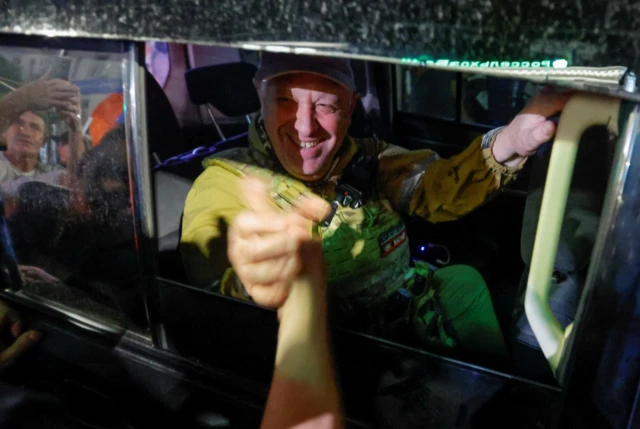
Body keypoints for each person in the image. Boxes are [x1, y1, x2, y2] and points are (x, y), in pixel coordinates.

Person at [180, 52, 570, 359]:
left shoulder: (369, 158)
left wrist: (511, 144)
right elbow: (212, 303)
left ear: (350, 107)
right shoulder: (224, 184)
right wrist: (258, 284)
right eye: (284, 100)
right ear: (258, 95)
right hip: (337, 349)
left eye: (325, 106)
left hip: (406, 311)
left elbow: (436, 189)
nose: (304, 126)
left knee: (462, 281)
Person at [0, 77, 84, 197]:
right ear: (4, 132)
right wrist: (25, 96)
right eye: (18, 123)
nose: (25, 132)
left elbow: (76, 185)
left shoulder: (50, 173)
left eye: (34, 127)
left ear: (43, 141)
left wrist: (75, 129)